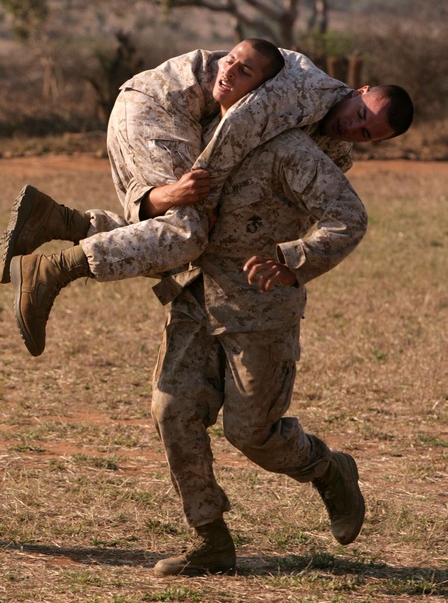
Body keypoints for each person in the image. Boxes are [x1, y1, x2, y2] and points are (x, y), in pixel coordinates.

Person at [0, 41, 413, 356]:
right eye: (360, 114)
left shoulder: (334, 142)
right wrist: (206, 202)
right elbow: (236, 130)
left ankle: (56, 220)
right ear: (360, 90)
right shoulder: (306, 93)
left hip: (177, 118)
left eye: (366, 134)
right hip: (160, 105)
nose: (351, 128)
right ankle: (50, 271)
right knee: (188, 231)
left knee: (180, 238)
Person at [150, 125, 369, 576]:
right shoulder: (196, 134)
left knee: (252, 433)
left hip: (260, 306)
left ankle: (328, 470)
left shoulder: (291, 148)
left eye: (245, 69)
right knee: (172, 409)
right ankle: (209, 537)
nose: (228, 74)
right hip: (195, 294)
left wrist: (294, 260)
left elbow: (348, 214)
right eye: (228, 64)